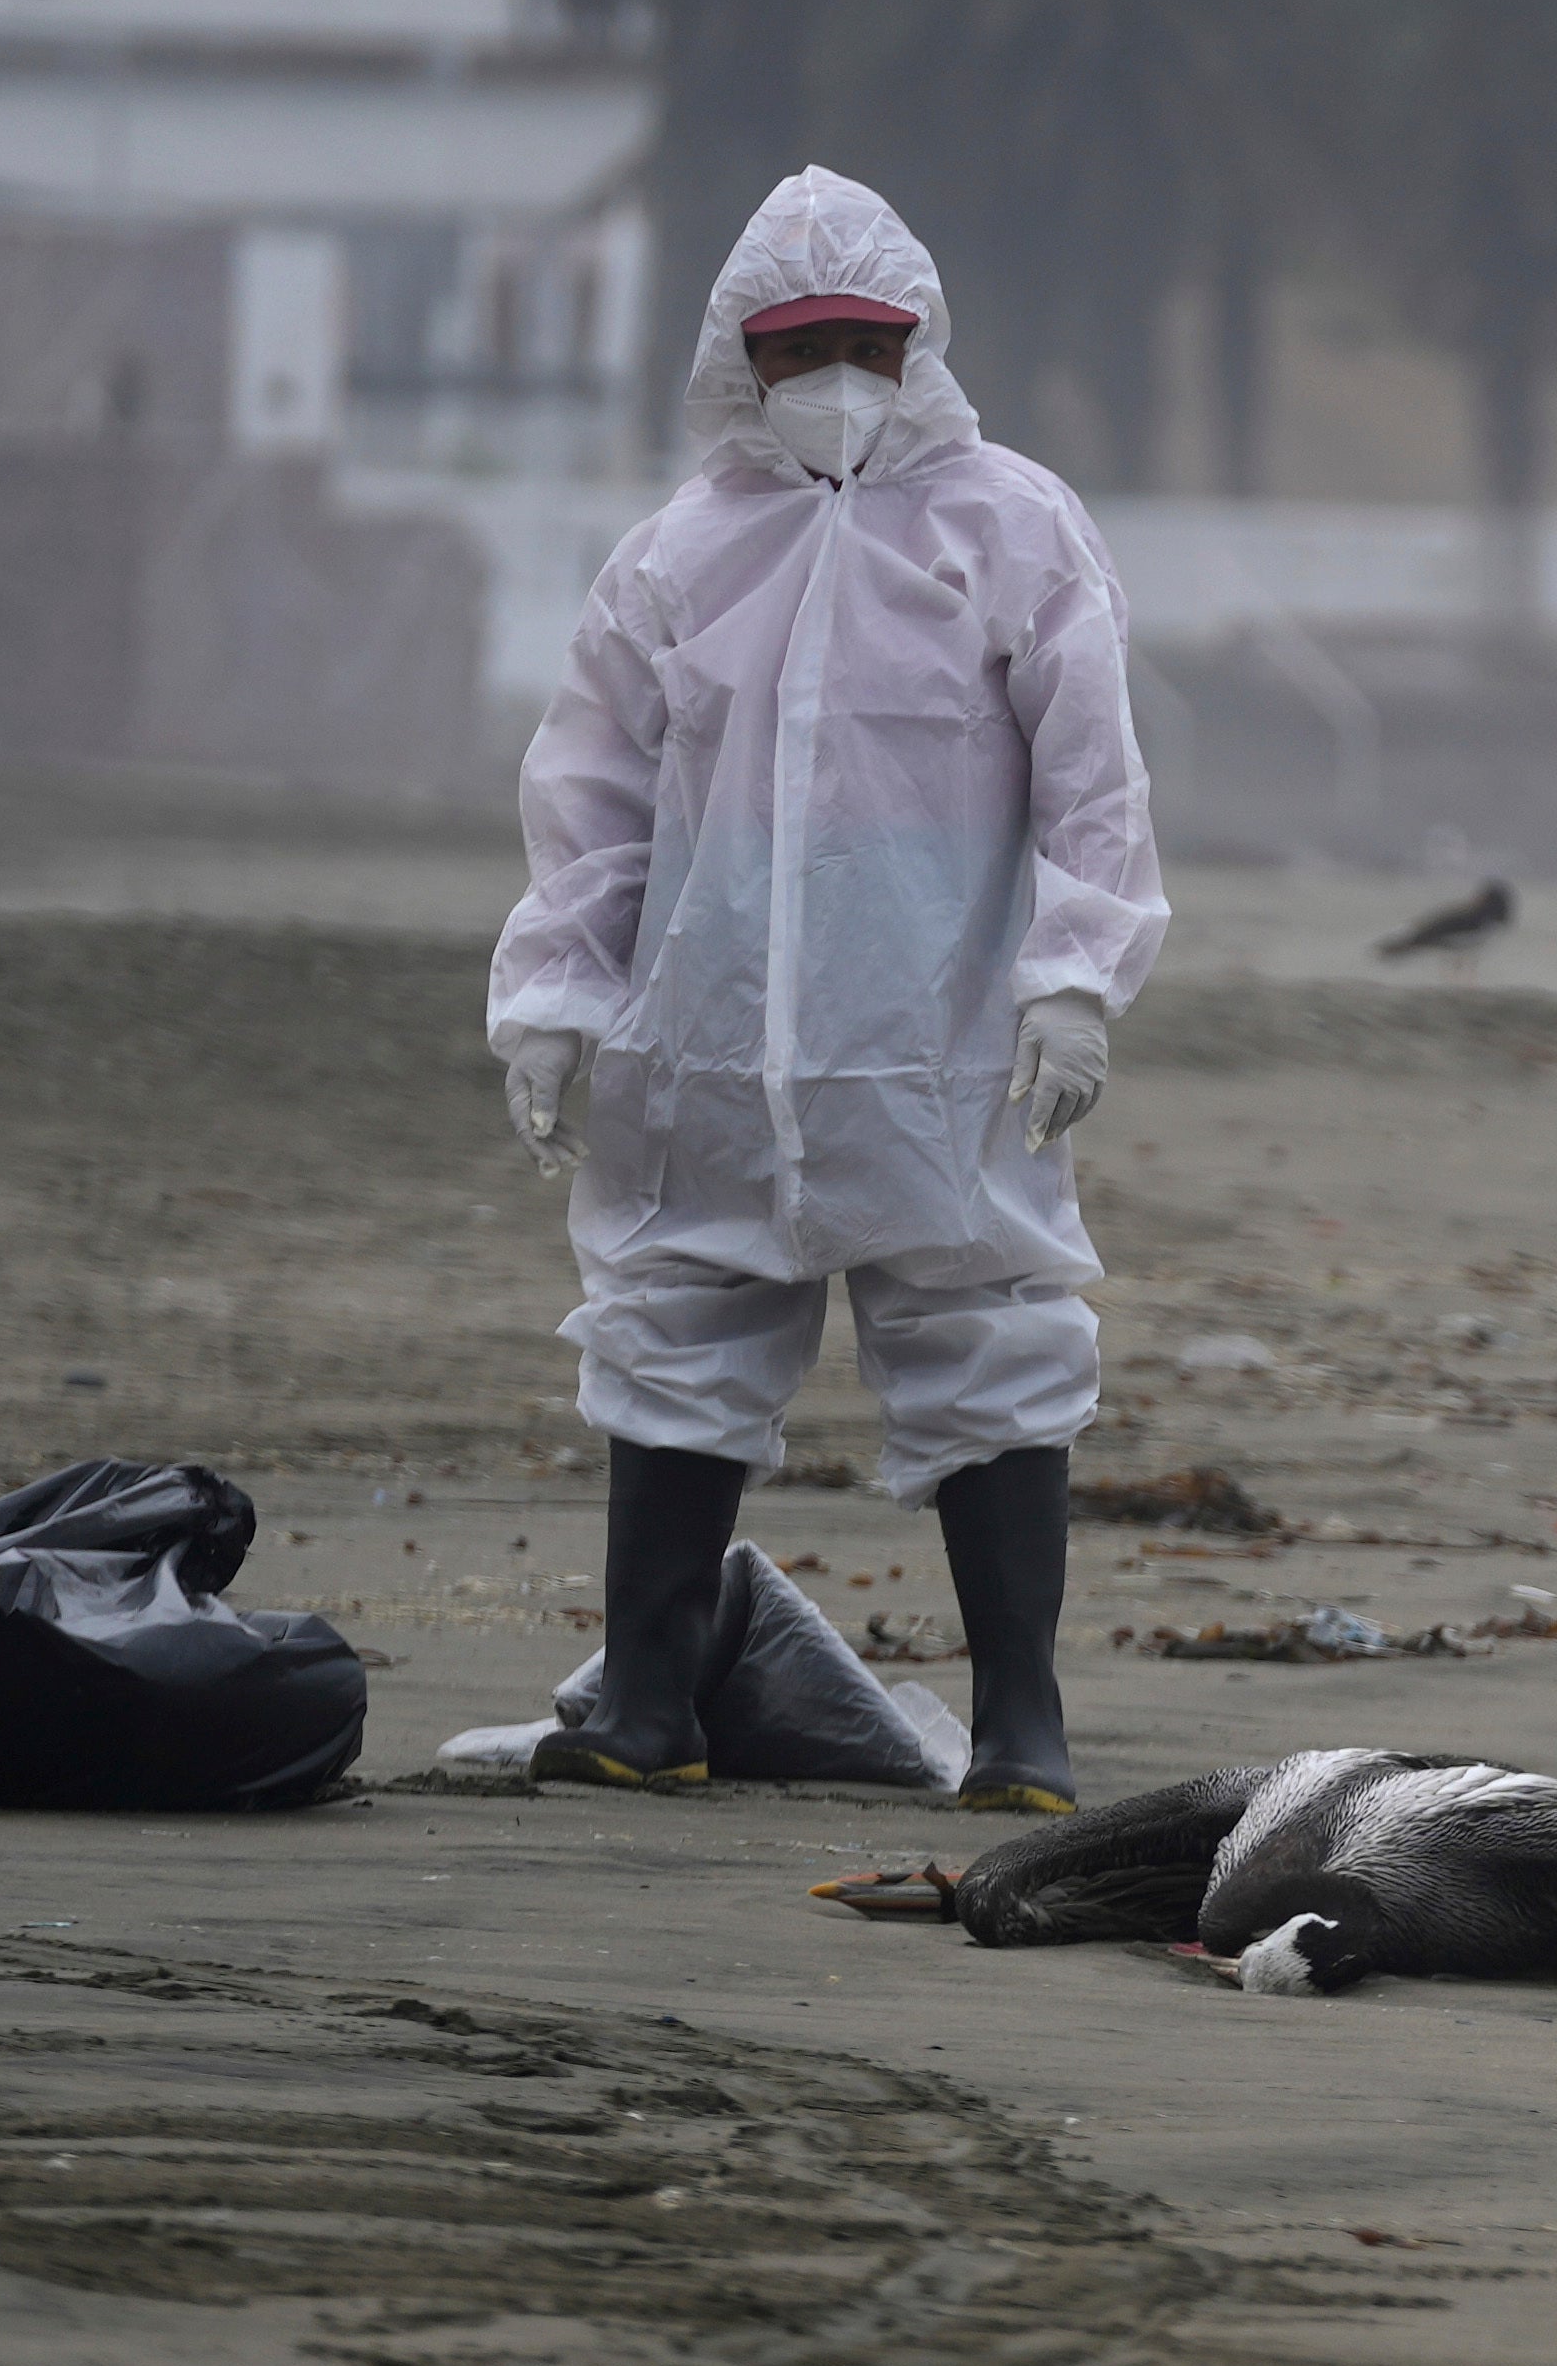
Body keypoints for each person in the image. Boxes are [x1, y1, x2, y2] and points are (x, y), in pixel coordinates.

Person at [485, 167, 1166, 1815]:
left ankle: (1021, 1728)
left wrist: (1076, 979)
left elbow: (1094, 782)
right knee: (677, 1336)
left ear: (919, 340)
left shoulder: (1011, 528)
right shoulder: (679, 558)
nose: (840, 374)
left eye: (870, 339)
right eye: (806, 347)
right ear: (745, 359)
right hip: (707, 1044)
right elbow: (592, 799)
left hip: (936, 1049)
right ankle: (647, 1700)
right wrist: (557, 996)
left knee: (993, 1337)